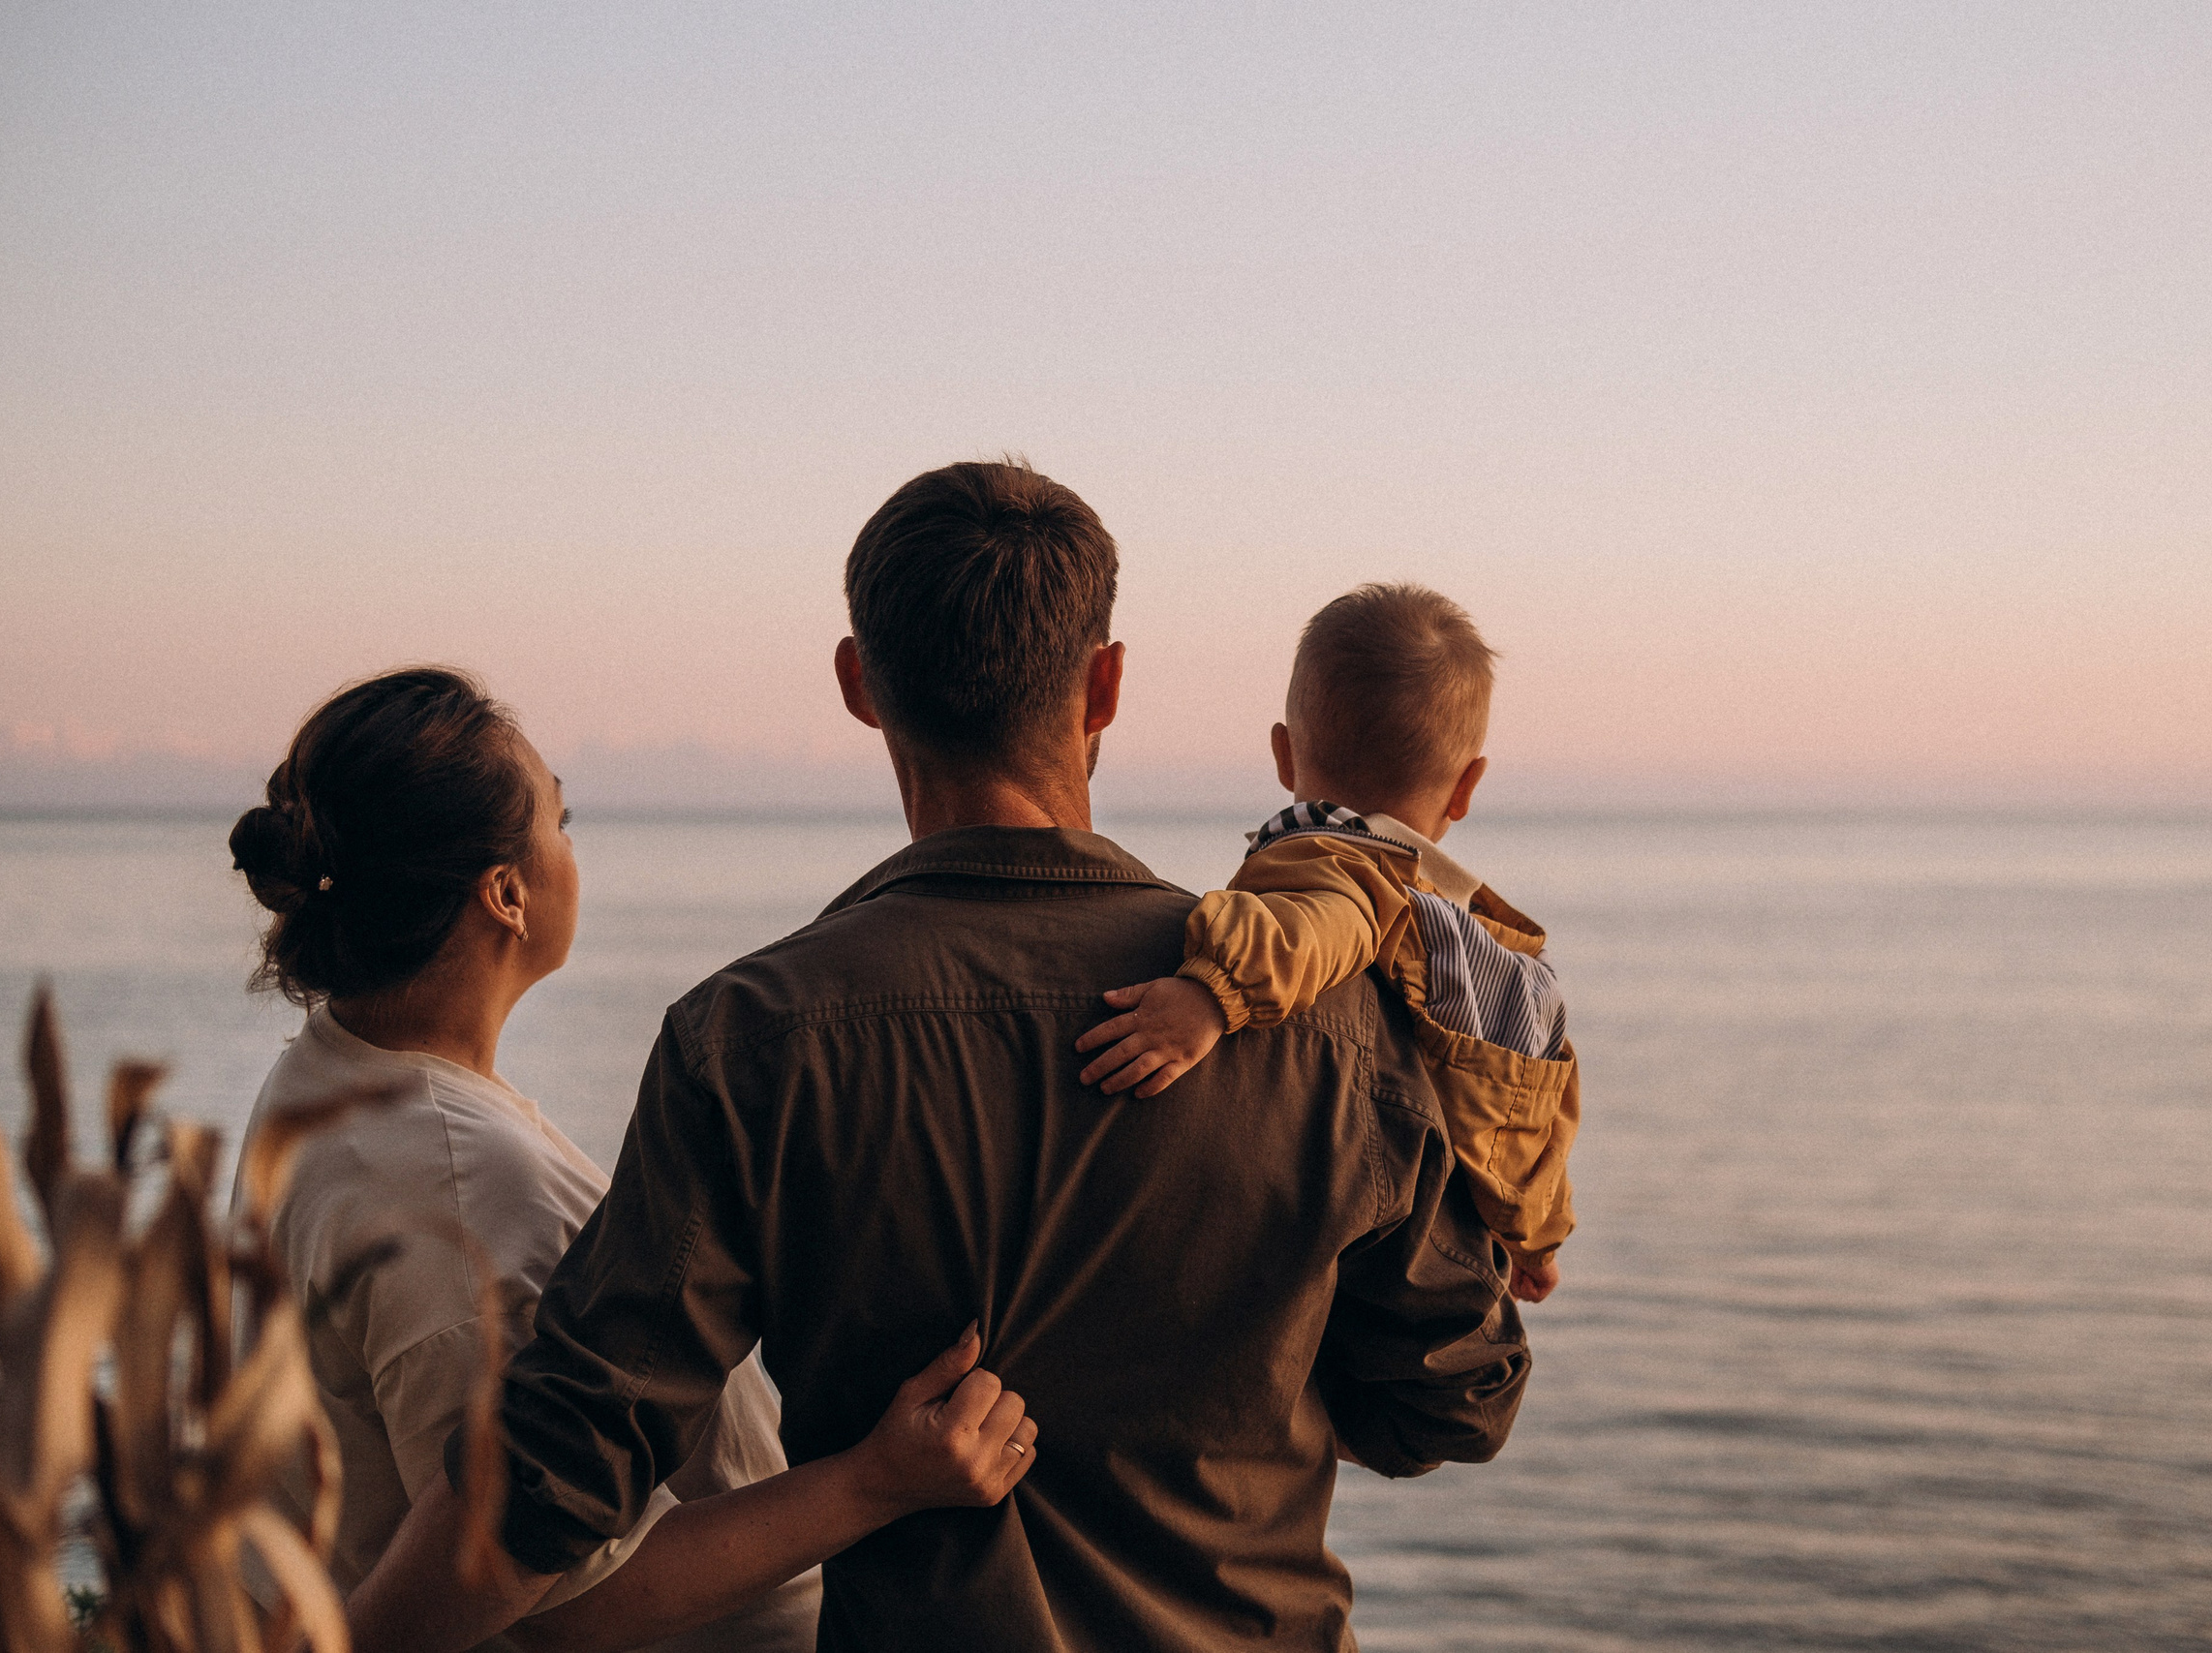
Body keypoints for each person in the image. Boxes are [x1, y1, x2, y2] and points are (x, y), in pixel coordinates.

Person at [348, 462, 1530, 1653]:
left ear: (860, 685)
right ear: (1106, 686)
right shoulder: (1333, 1025)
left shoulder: (752, 1038)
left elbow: (558, 1474)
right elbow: (1452, 1405)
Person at [230, 666, 1035, 1653]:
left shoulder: (326, 1079)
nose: (573, 849)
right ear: (507, 894)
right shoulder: (460, 1183)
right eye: (560, 821)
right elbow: (559, 1596)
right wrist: (876, 1481)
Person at [1071, 582, 1579, 1301]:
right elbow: (1534, 1123)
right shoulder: (1466, 935)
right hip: (1480, 1221)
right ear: (1466, 787)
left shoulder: (1331, 857)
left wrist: (1210, 995)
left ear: (1284, 754)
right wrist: (1538, 1237)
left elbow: (1325, 922)